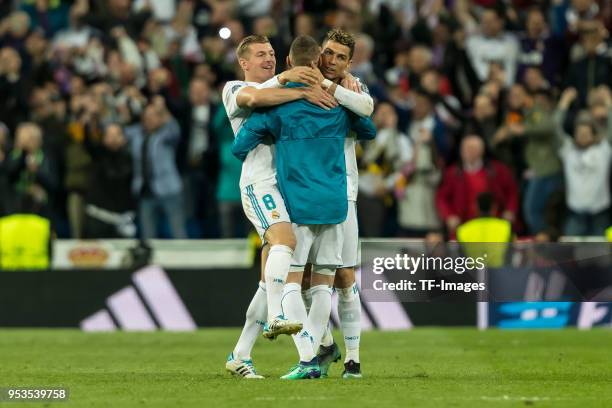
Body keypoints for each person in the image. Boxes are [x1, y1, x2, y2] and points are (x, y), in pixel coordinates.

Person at [232, 34, 376, 380]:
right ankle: (329, 354)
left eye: (271, 53)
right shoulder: (339, 103)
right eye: (327, 53)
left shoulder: (281, 108)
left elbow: (239, 146)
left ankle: (306, 356)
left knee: (286, 281)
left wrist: (278, 124)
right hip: (334, 202)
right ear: (318, 59)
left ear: (285, 61)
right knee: (322, 282)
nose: (332, 59)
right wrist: (321, 90)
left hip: (297, 201)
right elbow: (368, 125)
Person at [221, 34, 337, 379]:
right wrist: (294, 84)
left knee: (269, 275)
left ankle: (239, 353)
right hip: (259, 184)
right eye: (260, 54)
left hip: (287, 186)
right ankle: (277, 316)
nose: (268, 59)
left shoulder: (284, 95)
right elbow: (256, 97)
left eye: (272, 53)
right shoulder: (234, 88)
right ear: (244, 62)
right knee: (286, 242)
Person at [308, 28, 375, 380]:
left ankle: (353, 358)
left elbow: (366, 109)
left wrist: (333, 88)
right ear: (320, 51)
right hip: (301, 191)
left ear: (350, 62)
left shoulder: (352, 86)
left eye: (340, 57)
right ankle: (324, 343)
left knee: (345, 277)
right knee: (302, 277)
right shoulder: (301, 78)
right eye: (328, 53)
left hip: (341, 191)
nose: (332, 61)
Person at [124, 98, 187, 239]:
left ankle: (183, 260)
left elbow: (174, 128)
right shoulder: (137, 135)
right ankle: (150, 261)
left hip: (169, 190)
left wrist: (162, 109)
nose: (149, 120)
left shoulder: (166, 134)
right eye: (146, 117)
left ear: (160, 118)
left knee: (178, 232)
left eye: (153, 116)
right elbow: (121, 131)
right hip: (146, 190)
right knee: (148, 235)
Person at [554, 87, 612, 236]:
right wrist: (564, 102)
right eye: (580, 134)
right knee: (572, 254)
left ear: (594, 135)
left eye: (586, 134)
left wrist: (608, 102)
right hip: (575, 213)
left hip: (600, 212)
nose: (583, 136)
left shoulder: (603, 149)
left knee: (600, 256)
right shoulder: (568, 150)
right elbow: (555, 127)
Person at [436, 135, 519, 239]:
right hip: (463, 227)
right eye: (465, 148)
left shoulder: (497, 170)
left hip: (492, 226)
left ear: (481, 151)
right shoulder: (453, 173)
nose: (468, 152)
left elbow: (511, 191)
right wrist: (449, 215)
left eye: (472, 149)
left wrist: (510, 210)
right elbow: (442, 197)